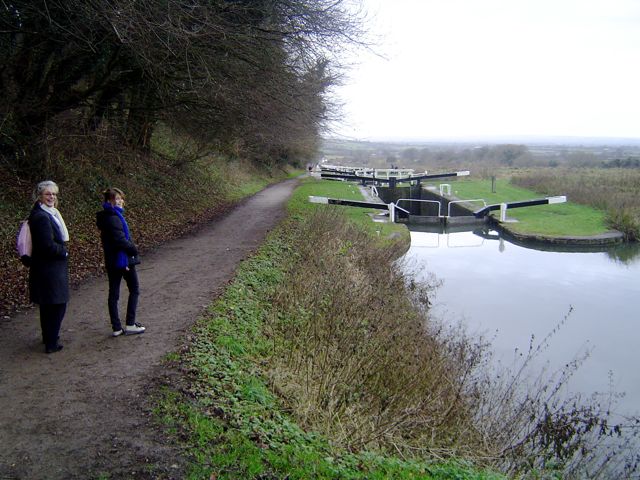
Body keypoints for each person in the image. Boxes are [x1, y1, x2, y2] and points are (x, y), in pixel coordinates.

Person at [96, 187, 146, 336]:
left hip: (112, 260)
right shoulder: (113, 217)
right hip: (122, 260)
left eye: (120, 198)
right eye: (115, 199)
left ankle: (116, 327)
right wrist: (134, 249)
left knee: (114, 293)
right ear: (108, 201)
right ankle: (130, 324)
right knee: (134, 289)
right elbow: (120, 240)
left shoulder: (107, 216)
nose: (119, 201)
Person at [28, 180, 70, 354]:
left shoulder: (48, 213)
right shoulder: (41, 217)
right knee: (57, 304)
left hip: (46, 268)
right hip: (49, 268)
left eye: (53, 194)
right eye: (47, 194)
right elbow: (47, 246)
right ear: (40, 196)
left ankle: (49, 337)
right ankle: (51, 342)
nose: (51, 197)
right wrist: (64, 252)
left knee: (48, 304)